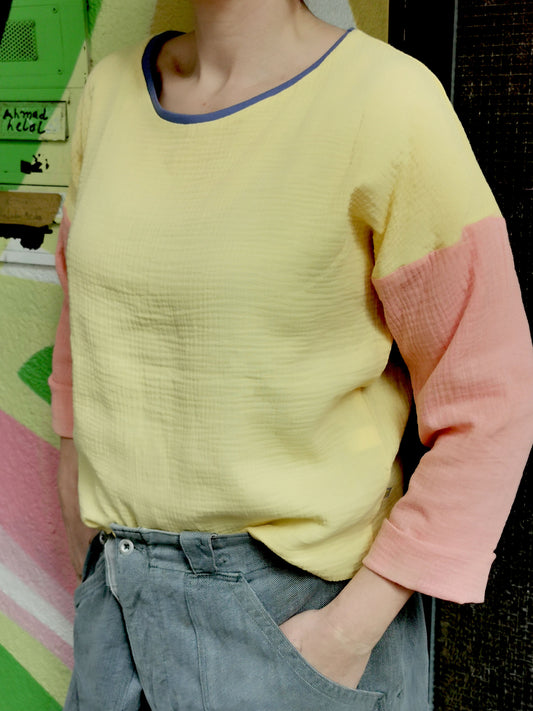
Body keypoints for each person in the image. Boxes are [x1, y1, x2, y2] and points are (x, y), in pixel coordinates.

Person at [49, 1, 533, 709]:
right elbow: (83, 317)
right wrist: (76, 497)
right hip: (115, 608)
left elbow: (489, 399)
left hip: (295, 615)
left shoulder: (389, 102)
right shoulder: (108, 92)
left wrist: (348, 631)